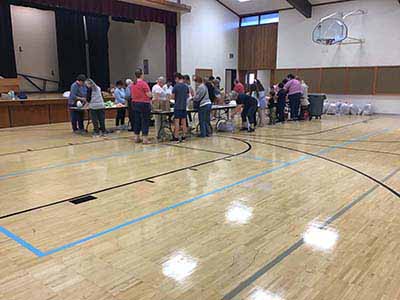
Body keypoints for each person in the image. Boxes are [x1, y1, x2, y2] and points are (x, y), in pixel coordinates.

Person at [130, 69, 152, 144]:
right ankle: (145, 139)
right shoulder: (143, 83)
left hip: (134, 103)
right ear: (142, 74)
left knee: (137, 120)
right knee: (145, 120)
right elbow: (149, 94)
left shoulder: (133, 84)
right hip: (144, 103)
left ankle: (136, 137)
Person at [171, 73, 189, 142]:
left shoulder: (176, 86)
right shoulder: (186, 86)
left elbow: (172, 97)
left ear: (177, 78)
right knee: (184, 122)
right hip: (184, 107)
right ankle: (184, 136)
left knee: (177, 122)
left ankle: (176, 136)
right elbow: (187, 96)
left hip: (177, 106)